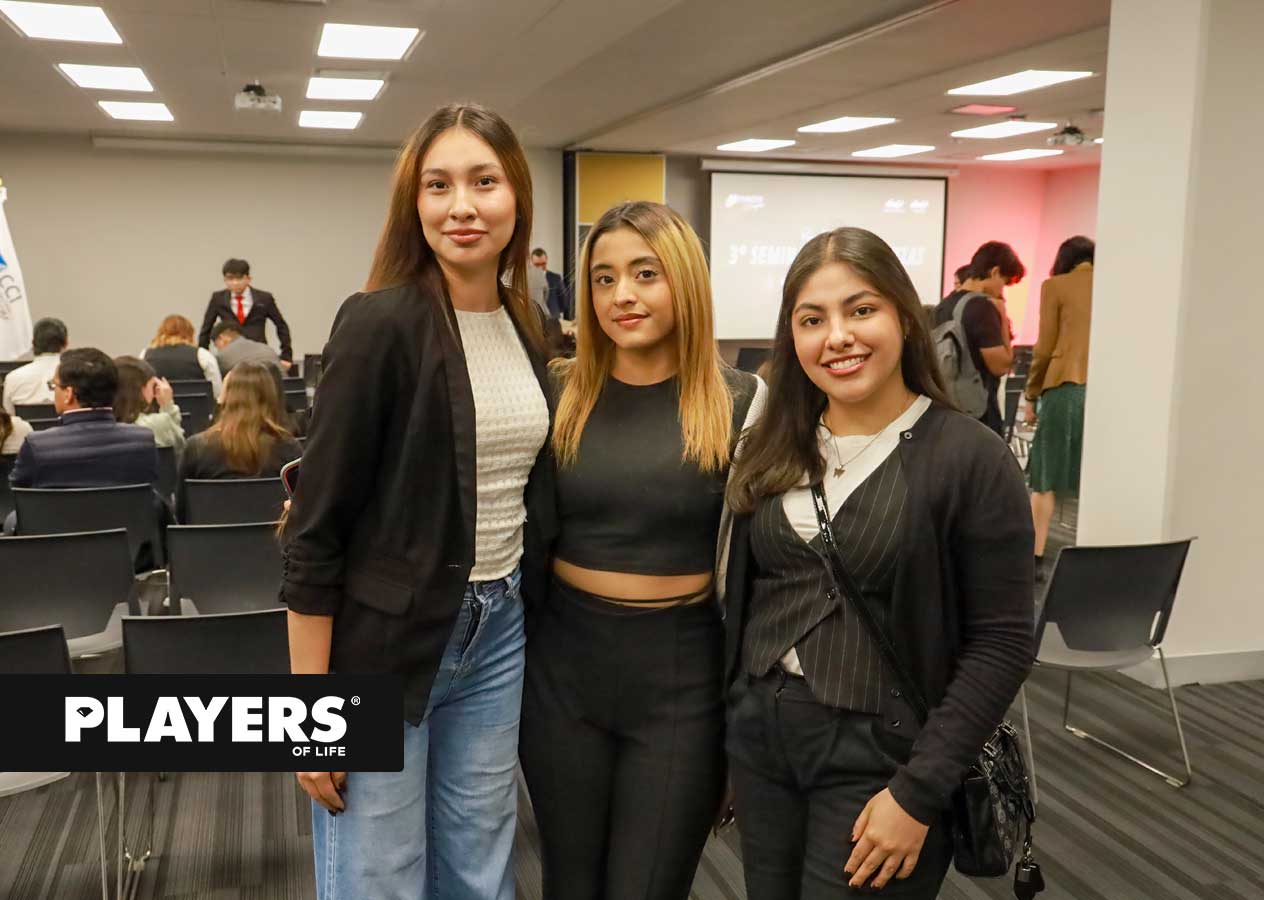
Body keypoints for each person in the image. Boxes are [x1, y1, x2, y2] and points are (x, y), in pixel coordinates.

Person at [280, 102, 554, 900]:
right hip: (386, 639)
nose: (461, 206)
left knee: (480, 861)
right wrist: (309, 718)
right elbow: (316, 529)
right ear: (414, 203)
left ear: (516, 199)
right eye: (438, 185)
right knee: (381, 874)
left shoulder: (525, 328)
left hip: (497, 630)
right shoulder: (379, 323)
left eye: (483, 182)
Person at [721, 227, 1035, 900]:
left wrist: (919, 794)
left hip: (883, 757)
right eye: (813, 319)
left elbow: (1002, 643)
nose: (837, 336)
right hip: (764, 744)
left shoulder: (968, 458)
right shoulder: (774, 445)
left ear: (902, 316)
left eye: (860, 310)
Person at [520, 201, 766, 900]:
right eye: (603, 279)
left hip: (681, 681)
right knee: (570, 885)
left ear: (684, 281)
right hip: (563, 674)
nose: (621, 295)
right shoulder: (560, 391)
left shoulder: (740, 401)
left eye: (645, 273)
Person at [1025, 236, 1094, 581]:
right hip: (1108, 393)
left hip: (1064, 389)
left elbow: (1044, 346)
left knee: (1045, 478)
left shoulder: (1056, 286)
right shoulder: (1119, 283)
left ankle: (1036, 558)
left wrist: (1030, 394)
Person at [10, 349, 157, 489]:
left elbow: (20, 495)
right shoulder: (143, 440)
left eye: (54, 386)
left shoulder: (38, 446)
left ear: (68, 394)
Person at [933, 242, 1024, 433]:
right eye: (1004, 282)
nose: (1002, 290)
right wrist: (1001, 313)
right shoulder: (981, 307)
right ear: (995, 272)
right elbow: (1001, 365)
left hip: (945, 408)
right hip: (978, 414)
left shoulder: (943, 306)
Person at [197, 258, 294, 368]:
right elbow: (206, 328)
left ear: (248, 278)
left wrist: (287, 356)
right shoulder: (218, 298)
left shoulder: (264, 298)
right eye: (230, 279)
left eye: (239, 278)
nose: (235, 283)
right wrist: (202, 357)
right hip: (231, 356)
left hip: (259, 353)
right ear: (225, 280)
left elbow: (281, 325)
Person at [113, 356, 185, 450]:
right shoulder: (158, 423)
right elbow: (181, 447)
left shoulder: (101, 427)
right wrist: (168, 406)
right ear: (140, 390)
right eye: (153, 386)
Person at [2, 317, 68, 413]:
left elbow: (11, 419)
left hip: (28, 428)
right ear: (65, 343)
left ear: (33, 343)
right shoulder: (77, 376)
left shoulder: (12, 378)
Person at [143, 314, 222, 394]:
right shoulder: (203, 355)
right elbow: (217, 392)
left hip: (157, 406)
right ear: (190, 333)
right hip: (195, 406)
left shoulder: (145, 355)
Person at [210, 321, 284, 375]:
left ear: (221, 338)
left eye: (216, 345)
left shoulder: (222, 357)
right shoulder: (268, 349)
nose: (218, 349)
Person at [532, 247, 570, 319]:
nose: (540, 267)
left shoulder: (556, 278)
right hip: (534, 321)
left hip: (553, 319)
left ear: (547, 260)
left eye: (543, 264)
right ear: (531, 262)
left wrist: (555, 311)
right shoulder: (526, 280)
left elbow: (564, 301)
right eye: (537, 265)